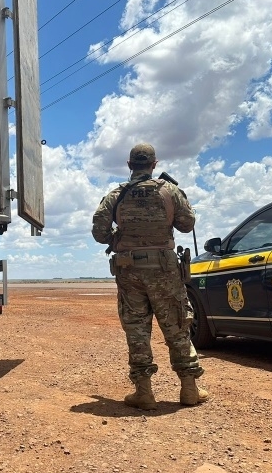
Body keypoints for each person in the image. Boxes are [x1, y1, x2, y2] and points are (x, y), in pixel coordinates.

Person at [91, 143, 208, 409]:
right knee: (177, 326)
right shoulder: (170, 192)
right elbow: (187, 224)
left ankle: (144, 392)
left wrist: (118, 240)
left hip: (129, 271)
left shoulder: (116, 196)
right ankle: (189, 389)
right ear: (154, 164)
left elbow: (99, 232)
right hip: (165, 271)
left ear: (130, 165)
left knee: (137, 330)